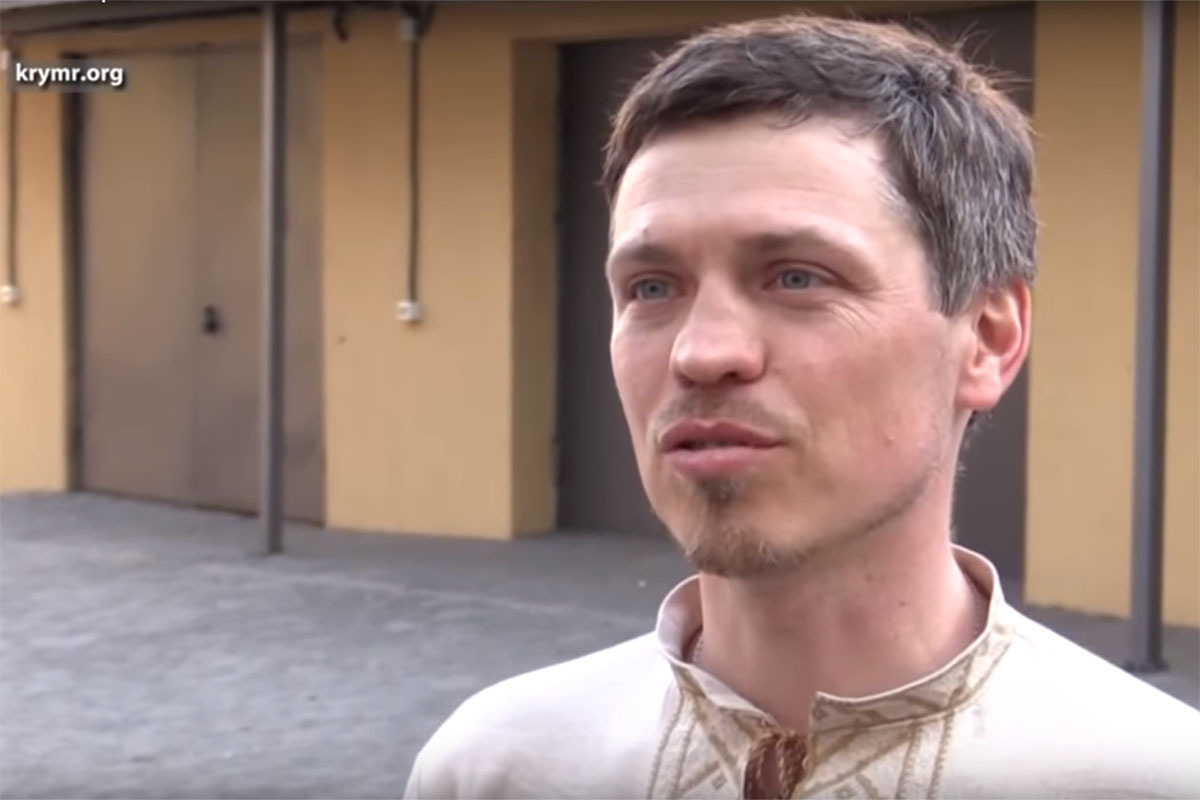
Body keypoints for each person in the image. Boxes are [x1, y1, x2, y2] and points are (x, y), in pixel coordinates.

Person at [403, 12, 1200, 800]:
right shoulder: (495, 770)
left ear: (988, 338)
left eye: (796, 277)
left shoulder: (1153, 777)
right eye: (650, 288)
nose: (700, 352)